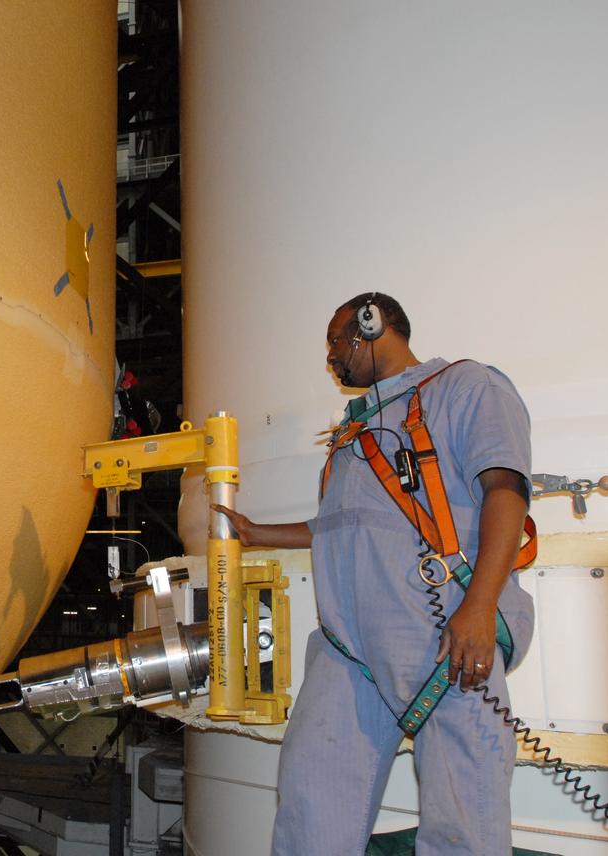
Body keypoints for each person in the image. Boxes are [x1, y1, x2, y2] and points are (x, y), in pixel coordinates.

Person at [215, 292, 535, 855]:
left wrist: (480, 606)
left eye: (337, 340)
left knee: (464, 825)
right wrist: (260, 534)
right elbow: (343, 525)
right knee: (310, 809)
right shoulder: (352, 433)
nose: (331, 357)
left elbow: (506, 492)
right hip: (347, 648)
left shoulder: (466, 386)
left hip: (442, 636)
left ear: (373, 323)